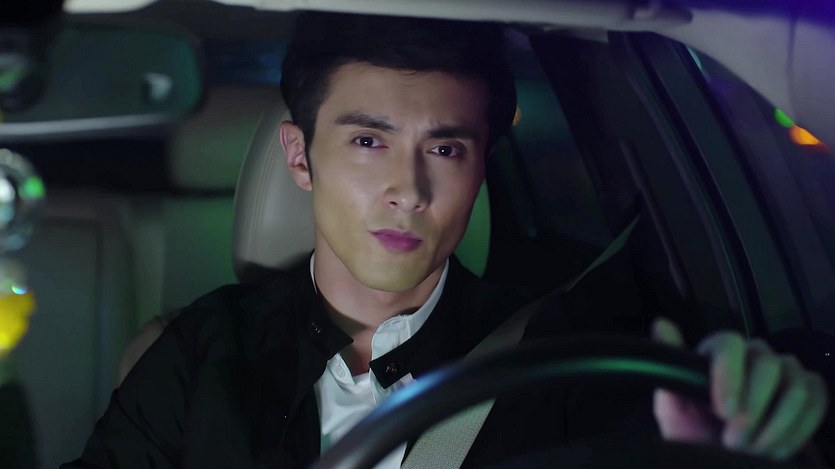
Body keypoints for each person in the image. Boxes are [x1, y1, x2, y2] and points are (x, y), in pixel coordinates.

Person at [63, 12, 829, 468]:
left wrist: (715, 442)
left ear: (479, 166)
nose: (409, 188)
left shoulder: (558, 359)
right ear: (300, 158)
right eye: (368, 142)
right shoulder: (199, 353)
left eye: (444, 147)